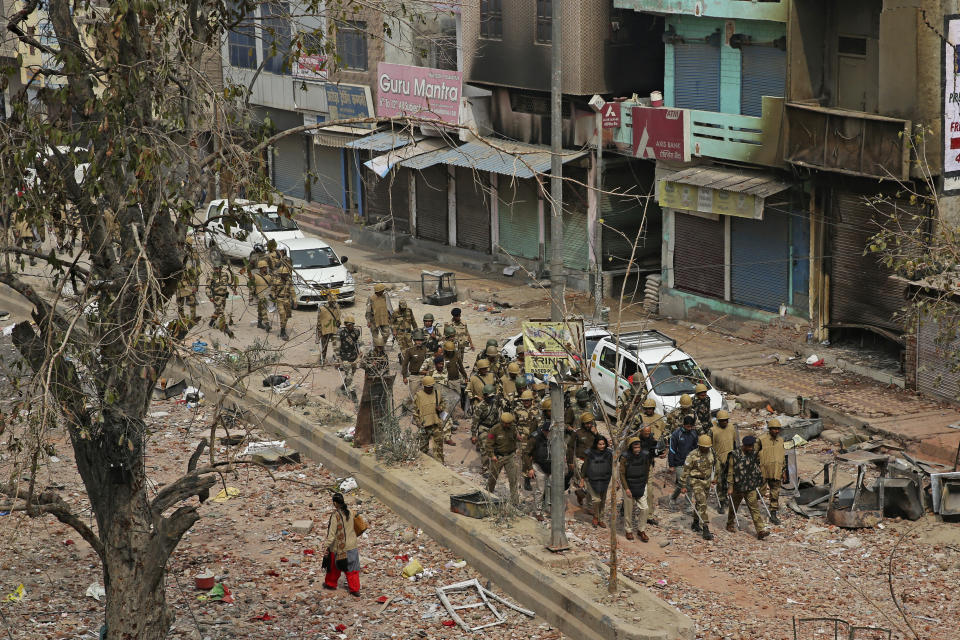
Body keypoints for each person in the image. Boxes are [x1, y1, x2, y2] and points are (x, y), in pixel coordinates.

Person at [523, 402, 574, 518]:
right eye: (546, 432)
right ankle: (538, 512)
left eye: (550, 432)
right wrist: (529, 468)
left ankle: (552, 510)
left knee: (555, 489)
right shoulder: (535, 437)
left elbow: (565, 449)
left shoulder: (557, 438)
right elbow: (526, 453)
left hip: (553, 467)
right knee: (540, 490)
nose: (548, 434)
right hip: (539, 467)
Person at [724, 435, 769, 539]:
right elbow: (730, 472)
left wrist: (758, 481)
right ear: (744, 445)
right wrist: (730, 487)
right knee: (733, 507)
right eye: (749, 447)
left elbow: (755, 467)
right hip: (737, 487)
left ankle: (760, 530)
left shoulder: (753, 453)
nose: (751, 448)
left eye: (752, 446)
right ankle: (729, 524)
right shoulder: (734, 455)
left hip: (750, 486)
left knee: (754, 508)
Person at [322, 492, 360, 596]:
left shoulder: (335, 516)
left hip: (339, 547)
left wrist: (326, 546)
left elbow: (332, 534)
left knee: (334, 567)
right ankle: (354, 589)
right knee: (352, 569)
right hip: (352, 545)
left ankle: (330, 584)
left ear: (335, 503)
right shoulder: (350, 512)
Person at [679, 434, 716, 540]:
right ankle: (705, 529)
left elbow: (715, 464)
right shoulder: (692, 455)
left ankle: (695, 522)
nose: (706, 449)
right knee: (703, 504)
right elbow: (685, 471)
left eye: (707, 447)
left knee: (700, 504)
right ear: (699, 446)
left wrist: (715, 477)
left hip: (707, 481)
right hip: (696, 481)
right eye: (704, 447)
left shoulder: (711, 452)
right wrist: (683, 485)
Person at [620, 436, 653, 542]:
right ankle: (628, 530)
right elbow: (622, 474)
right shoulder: (625, 457)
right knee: (629, 511)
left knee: (645, 508)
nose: (637, 449)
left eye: (638, 447)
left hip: (641, 484)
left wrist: (645, 483)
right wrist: (626, 488)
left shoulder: (645, 455)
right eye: (635, 447)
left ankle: (641, 530)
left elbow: (647, 469)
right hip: (629, 485)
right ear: (630, 447)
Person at [485, 412, 521, 506]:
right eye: (505, 423)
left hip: (509, 456)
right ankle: (487, 497)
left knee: (513, 479)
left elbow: (514, 439)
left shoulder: (513, 428)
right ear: (502, 422)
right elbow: (488, 444)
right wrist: (492, 455)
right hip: (498, 457)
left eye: (509, 423)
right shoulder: (494, 430)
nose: (507, 425)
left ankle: (515, 503)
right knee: (492, 479)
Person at [757, 418, 786, 525]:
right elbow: (754, 454)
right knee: (760, 492)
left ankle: (773, 514)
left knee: (775, 493)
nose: (776, 431)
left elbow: (783, 456)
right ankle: (753, 510)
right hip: (763, 470)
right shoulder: (761, 439)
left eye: (778, 429)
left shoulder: (781, 440)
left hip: (776, 471)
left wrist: (784, 470)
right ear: (770, 429)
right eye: (774, 429)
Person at [582, 435, 613, 528]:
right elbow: (585, 466)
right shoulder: (590, 453)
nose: (602, 446)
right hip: (591, 479)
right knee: (596, 500)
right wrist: (582, 478)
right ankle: (595, 516)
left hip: (604, 479)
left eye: (603, 444)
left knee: (602, 501)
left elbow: (612, 466)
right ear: (596, 444)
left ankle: (601, 519)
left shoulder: (609, 453)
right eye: (600, 444)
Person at [413, 375, 446, 463]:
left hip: (436, 424)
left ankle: (440, 463)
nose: (430, 388)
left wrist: (441, 407)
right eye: (428, 387)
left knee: (439, 446)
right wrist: (417, 422)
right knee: (423, 447)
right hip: (424, 425)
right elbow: (415, 411)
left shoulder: (437, 393)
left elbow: (443, 403)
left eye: (431, 386)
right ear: (424, 386)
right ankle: (424, 463)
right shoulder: (418, 396)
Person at [668, 415, 699, 500]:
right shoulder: (676, 434)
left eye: (691, 426)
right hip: (679, 463)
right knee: (683, 483)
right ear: (684, 425)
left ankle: (687, 505)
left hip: (690, 463)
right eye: (688, 426)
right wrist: (671, 465)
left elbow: (696, 449)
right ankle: (673, 498)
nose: (689, 428)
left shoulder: (694, 434)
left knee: (689, 484)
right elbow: (672, 450)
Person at [572, 412, 599, 506]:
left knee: (590, 483)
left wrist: (596, 434)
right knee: (585, 483)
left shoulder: (594, 431)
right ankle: (584, 497)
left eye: (590, 422)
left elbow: (601, 443)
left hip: (592, 461)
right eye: (587, 423)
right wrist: (570, 462)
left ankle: (589, 503)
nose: (589, 425)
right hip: (581, 460)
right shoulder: (577, 433)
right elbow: (571, 447)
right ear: (583, 423)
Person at [206, 263, 236, 337]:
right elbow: (207, 287)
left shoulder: (225, 274)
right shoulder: (211, 276)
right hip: (216, 296)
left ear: (221, 268)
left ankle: (211, 323)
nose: (216, 270)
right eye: (215, 268)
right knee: (221, 312)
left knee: (218, 311)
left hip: (224, 296)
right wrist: (210, 296)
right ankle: (225, 327)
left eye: (218, 268)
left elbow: (228, 283)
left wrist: (234, 290)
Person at [336, 316, 362, 397]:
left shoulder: (356, 332)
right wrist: (337, 358)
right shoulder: (341, 333)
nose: (351, 326)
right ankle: (353, 395)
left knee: (351, 375)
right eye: (349, 325)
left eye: (352, 325)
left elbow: (360, 342)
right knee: (349, 375)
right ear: (346, 325)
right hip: (345, 357)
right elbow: (337, 345)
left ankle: (343, 387)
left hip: (354, 357)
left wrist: (361, 350)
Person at [176, 237, 200, 323]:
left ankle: (192, 317)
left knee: (191, 299)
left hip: (189, 280)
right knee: (180, 300)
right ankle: (181, 316)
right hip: (182, 279)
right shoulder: (180, 252)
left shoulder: (193, 253)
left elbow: (198, 268)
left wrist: (196, 281)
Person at [401, 329, 429, 400]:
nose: (419, 342)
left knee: (425, 397)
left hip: (424, 376)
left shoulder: (426, 350)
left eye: (420, 340)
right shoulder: (409, 351)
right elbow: (405, 364)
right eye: (417, 340)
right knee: (413, 397)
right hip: (414, 377)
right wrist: (404, 376)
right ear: (414, 340)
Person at [316, 290, 341, 365]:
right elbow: (319, 321)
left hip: (334, 329)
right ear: (329, 301)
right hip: (325, 330)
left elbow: (338, 317)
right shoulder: (322, 308)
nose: (333, 302)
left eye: (334, 301)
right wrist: (319, 331)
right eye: (332, 301)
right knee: (324, 346)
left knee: (337, 346)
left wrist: (338, 323)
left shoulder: (337, 307)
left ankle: (338, 360)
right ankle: (322, 359)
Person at [273, 262, 294, 341]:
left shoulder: (289, 281)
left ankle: (283, 327)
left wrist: (294, 300)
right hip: (280, 300)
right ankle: (282, 332)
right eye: (283, 274)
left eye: (286, 274)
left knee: (287, 316)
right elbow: (272, 290)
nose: (285, 275)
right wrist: (272, 295)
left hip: (287, 300)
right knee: (282, 314)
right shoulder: (276, 281)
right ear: (280, 274)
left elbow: (292, 291)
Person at [252, 260, 272, 334]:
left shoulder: (269, 276)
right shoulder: (255, 276)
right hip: (259, 297)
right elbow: (252, 287)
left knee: (261, 310)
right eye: (263, 268)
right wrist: (251, 295)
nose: (265, 269)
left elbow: (272, 286)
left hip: (266, 296)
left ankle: (259, 323)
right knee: (263, 310)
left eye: (265, 267)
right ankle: (267, 324)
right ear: (260, 268)